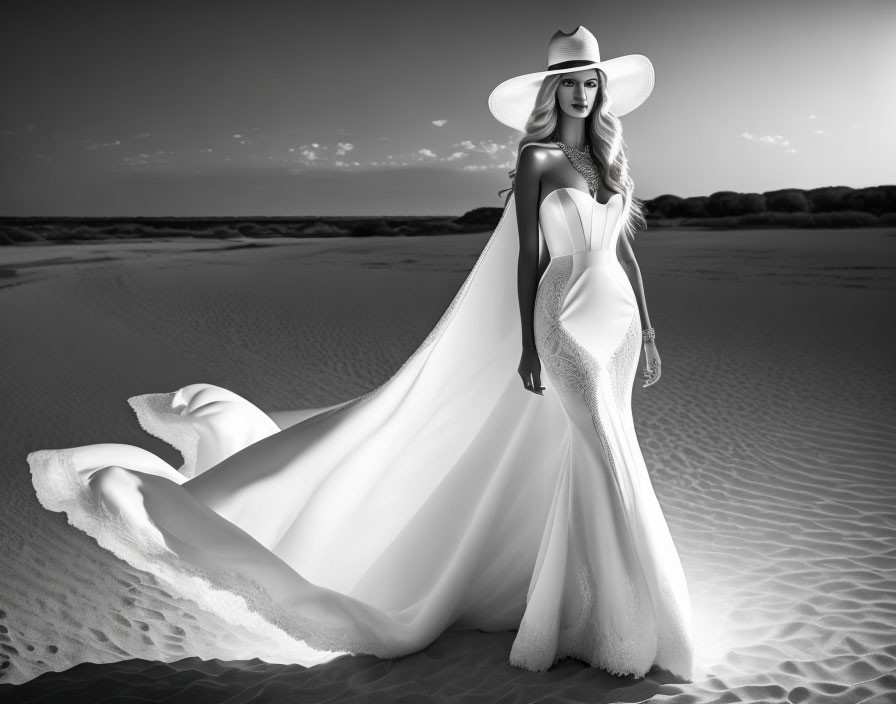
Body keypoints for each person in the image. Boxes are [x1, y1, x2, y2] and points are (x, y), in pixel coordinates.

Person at [26, 25, 695, 681]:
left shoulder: (610, 161)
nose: (581, 93)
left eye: (589, 83)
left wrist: (654, 330)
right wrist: (527, 344)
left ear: (601, 90)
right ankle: (620, 625)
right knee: (600, 445)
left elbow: (623, 250)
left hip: (621, 325)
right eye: (569, 84)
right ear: (552, 94)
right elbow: (528, 260)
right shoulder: (538, 161)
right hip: (562, 319)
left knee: (598, 453)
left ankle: (580, 608)